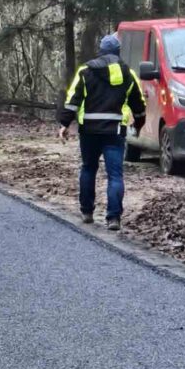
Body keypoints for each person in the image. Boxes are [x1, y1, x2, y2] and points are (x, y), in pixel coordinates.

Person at [58, 34, 146, 230]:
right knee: (115, 175)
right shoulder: (128, 74)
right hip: (114, 131)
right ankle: (113, 218)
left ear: (101, 51)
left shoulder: (85, 71)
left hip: (89, 130)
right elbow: (138, 104)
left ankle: (87, 211)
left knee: (88, 168)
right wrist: (139, 124)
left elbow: (73, 100)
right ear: (117, 53)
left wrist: (64, 124)